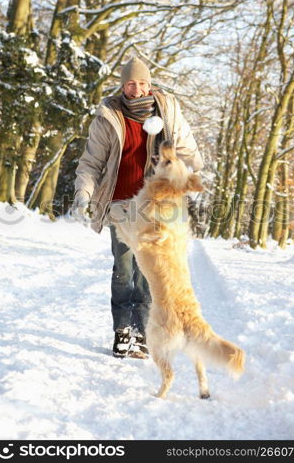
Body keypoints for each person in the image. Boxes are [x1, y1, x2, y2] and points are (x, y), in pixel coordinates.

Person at [73, 57, 203, 359]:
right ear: (122, 84)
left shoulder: (168, 112)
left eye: (142, 82)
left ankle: (142, 331)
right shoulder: (109, 115)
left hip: (158, 207)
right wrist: (84, 193)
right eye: (131, 82)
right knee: (124, 269)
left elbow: (192, 156)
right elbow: (91, 163)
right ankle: (121, 331)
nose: (137, 88)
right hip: (121, 204)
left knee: (149, 272)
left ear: (150, 84)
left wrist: (172, 157)